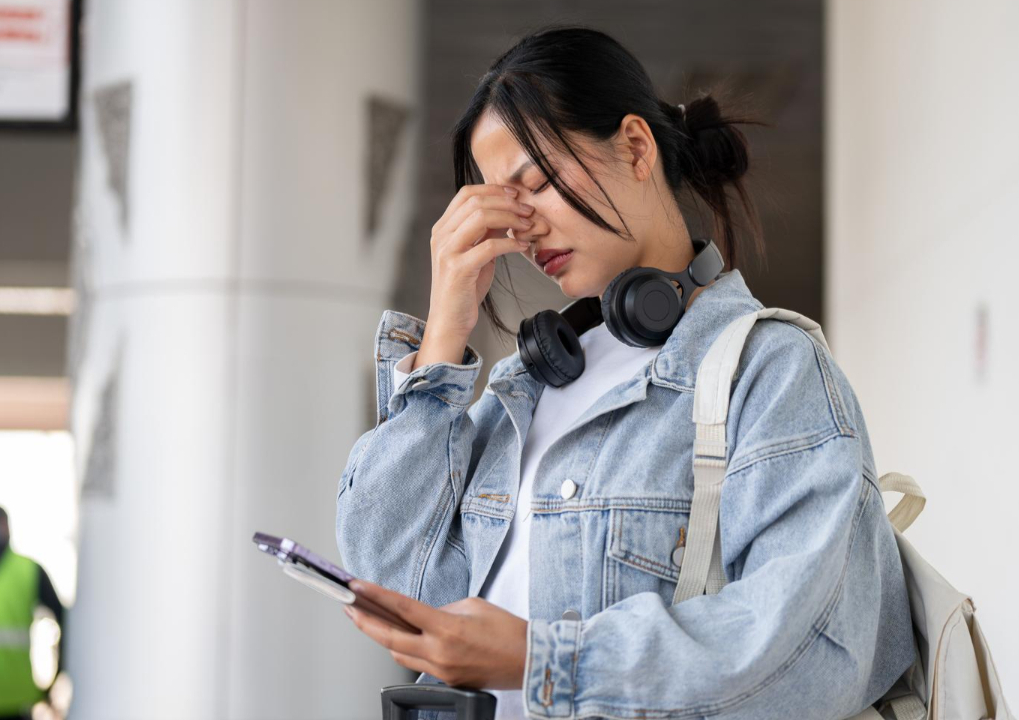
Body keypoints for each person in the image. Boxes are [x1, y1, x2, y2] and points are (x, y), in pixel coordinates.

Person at [336, 24, 914, 720]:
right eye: (503, 206)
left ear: (636, 146)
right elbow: (394, 574)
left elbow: (811, 658)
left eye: (539, 183)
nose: (524, 230)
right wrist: (442, 337)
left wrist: (541, 662)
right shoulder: (529, 385)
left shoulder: (770, 373)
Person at [0, 504, 66, 720]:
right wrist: (52, 682)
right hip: (16, 704)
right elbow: (65, 621)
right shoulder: (28, 569)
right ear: (4, 527)